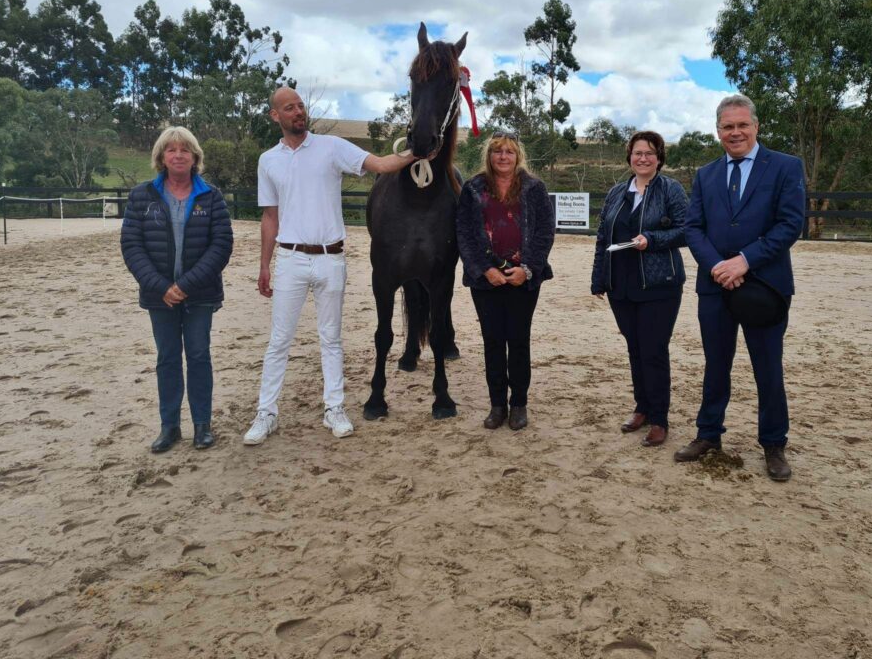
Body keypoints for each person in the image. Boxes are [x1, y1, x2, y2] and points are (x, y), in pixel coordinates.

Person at [244, 86, 419, 445]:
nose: (298, 112)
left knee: (331, 339)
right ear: (275, 116)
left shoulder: (332, 147)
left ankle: (334, 408)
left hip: (330, 258)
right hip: (290, 259)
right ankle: (266, 413)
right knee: (279, 340)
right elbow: (269, 217)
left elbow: (381, 164)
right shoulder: (268, 160)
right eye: (289, 108)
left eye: (300, 106)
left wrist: (418, 151)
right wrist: (264, 265)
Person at [680, 94, 805, 480]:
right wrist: (718, 266)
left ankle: (773, 443)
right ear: (718, 130)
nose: (735, 132)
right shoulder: (706, 174)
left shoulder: (785, 167)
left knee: (768, 367)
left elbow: (790, 224)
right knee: (716, 363)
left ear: (756, 126)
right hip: (715, 285)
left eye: (742, 125)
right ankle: (708, 434)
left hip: (765, 285)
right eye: (727, 126)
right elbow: (693, 228)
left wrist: (745, 260)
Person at [121, 126, 233, 453]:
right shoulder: (142, 196)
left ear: (195, 156)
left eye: (185, 150)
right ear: (161, 157)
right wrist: (161, 287)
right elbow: (132, 246)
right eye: (171, 150)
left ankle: (202, 425)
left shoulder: (211, 196)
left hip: (200, 294)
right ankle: (169, 426)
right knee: (167, 358)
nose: (178, 155)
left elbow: (221, 246)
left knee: (198, 355)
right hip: (160, 297)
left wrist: (184, 285)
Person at [591, 131, 688, 447]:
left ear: (659, 158)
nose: (643, 158)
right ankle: (642, 408)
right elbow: (603, 238)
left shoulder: (671, 189)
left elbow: (687, 230)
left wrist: (653, 239)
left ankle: (659, 418)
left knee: (653, 350)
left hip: (659, 285)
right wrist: (598, 278)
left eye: (649, 153)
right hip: (621, 285)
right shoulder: (617, 192)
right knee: (635, 348)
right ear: (629, 157)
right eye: (637, 153)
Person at [456, 133, 555, 431]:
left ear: (518, 156)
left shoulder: (534, 188)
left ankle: (519, 404)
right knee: (493, 342)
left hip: (522, 279)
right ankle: (497, 405)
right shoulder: (473, 188)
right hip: (486, 280)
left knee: (519, 340)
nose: (503, 157)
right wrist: (485, 269)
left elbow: (545, 232)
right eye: (497, 151)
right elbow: (464, 233)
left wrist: (528, 268)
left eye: (509, 152)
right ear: (488, 155)